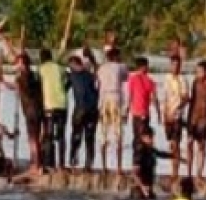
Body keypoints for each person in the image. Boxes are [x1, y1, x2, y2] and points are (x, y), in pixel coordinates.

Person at [0, 51, 45, 176]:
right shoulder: (36, 75)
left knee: (32, 139)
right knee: (37, 137)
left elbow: (16, 87)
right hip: (40, 109)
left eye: (18, 63)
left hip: (30, 110)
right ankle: (37, 163)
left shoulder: (21, 78)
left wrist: (4, 82)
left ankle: (36, 165)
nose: (16, 66)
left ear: (23, 64)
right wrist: (4, 82)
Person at [97, 46, 128, 174]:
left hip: (103, 100)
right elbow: (125, 78)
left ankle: (104, 167)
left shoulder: (101, 68)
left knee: (103, 134)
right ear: (116, 57)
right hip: (115, 99)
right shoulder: (121, 67)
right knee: (118, 133)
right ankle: (119, 168)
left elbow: (98, 84)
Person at [38, 48, 70, 171]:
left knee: (49, 135)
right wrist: (64, 89)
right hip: (62, 104)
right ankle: (61, 164)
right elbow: (69, 78)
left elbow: (37, 83)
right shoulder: (59, 68)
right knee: (61, 135)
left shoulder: (41, 69)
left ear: (42, 58)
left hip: (49, 105)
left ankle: (48, 164)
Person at [159, 53, 188, 182]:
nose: (175, 67)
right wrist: (164, 115)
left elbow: (186, 98)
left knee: (176, 143)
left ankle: (175, 172)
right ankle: (172, 169)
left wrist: (176, 110)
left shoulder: (183, 80)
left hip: (177, 116)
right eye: (173, 65)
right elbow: (164, 97)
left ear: (180, 66)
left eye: (177, 65)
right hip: (167, 115)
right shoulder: (167, 79)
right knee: (171, 143)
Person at [68, 54, 99, 172]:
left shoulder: (72, 76)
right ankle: (86, 163)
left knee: (78, 135)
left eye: (70, 65)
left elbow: (64, 88)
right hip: (90, 109)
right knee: (87, 137)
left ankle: (76, 160)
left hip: (83, 109)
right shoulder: (90, 76)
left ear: (74, 64)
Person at [130, 125, 176, 200]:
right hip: (139, 191)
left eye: (152, 137)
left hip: (148, 190)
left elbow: (161, 154)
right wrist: (143, 188)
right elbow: (134, 173)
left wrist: (176, 157)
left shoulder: (150, 150)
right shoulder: (140, 152)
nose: (152, 140)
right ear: (143, 138)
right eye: (150, 137)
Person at [127, 56, 158, 151]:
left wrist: (158, 111)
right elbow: (130, 95)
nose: (148, 68)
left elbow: (153, 98)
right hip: (140, 113)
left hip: (140, 113)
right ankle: (138, 160)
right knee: (140, 137)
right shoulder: (136, 79)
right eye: (146, 66)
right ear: (142, 67)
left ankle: (139, 160)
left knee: (140, 137)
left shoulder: (148, 81)